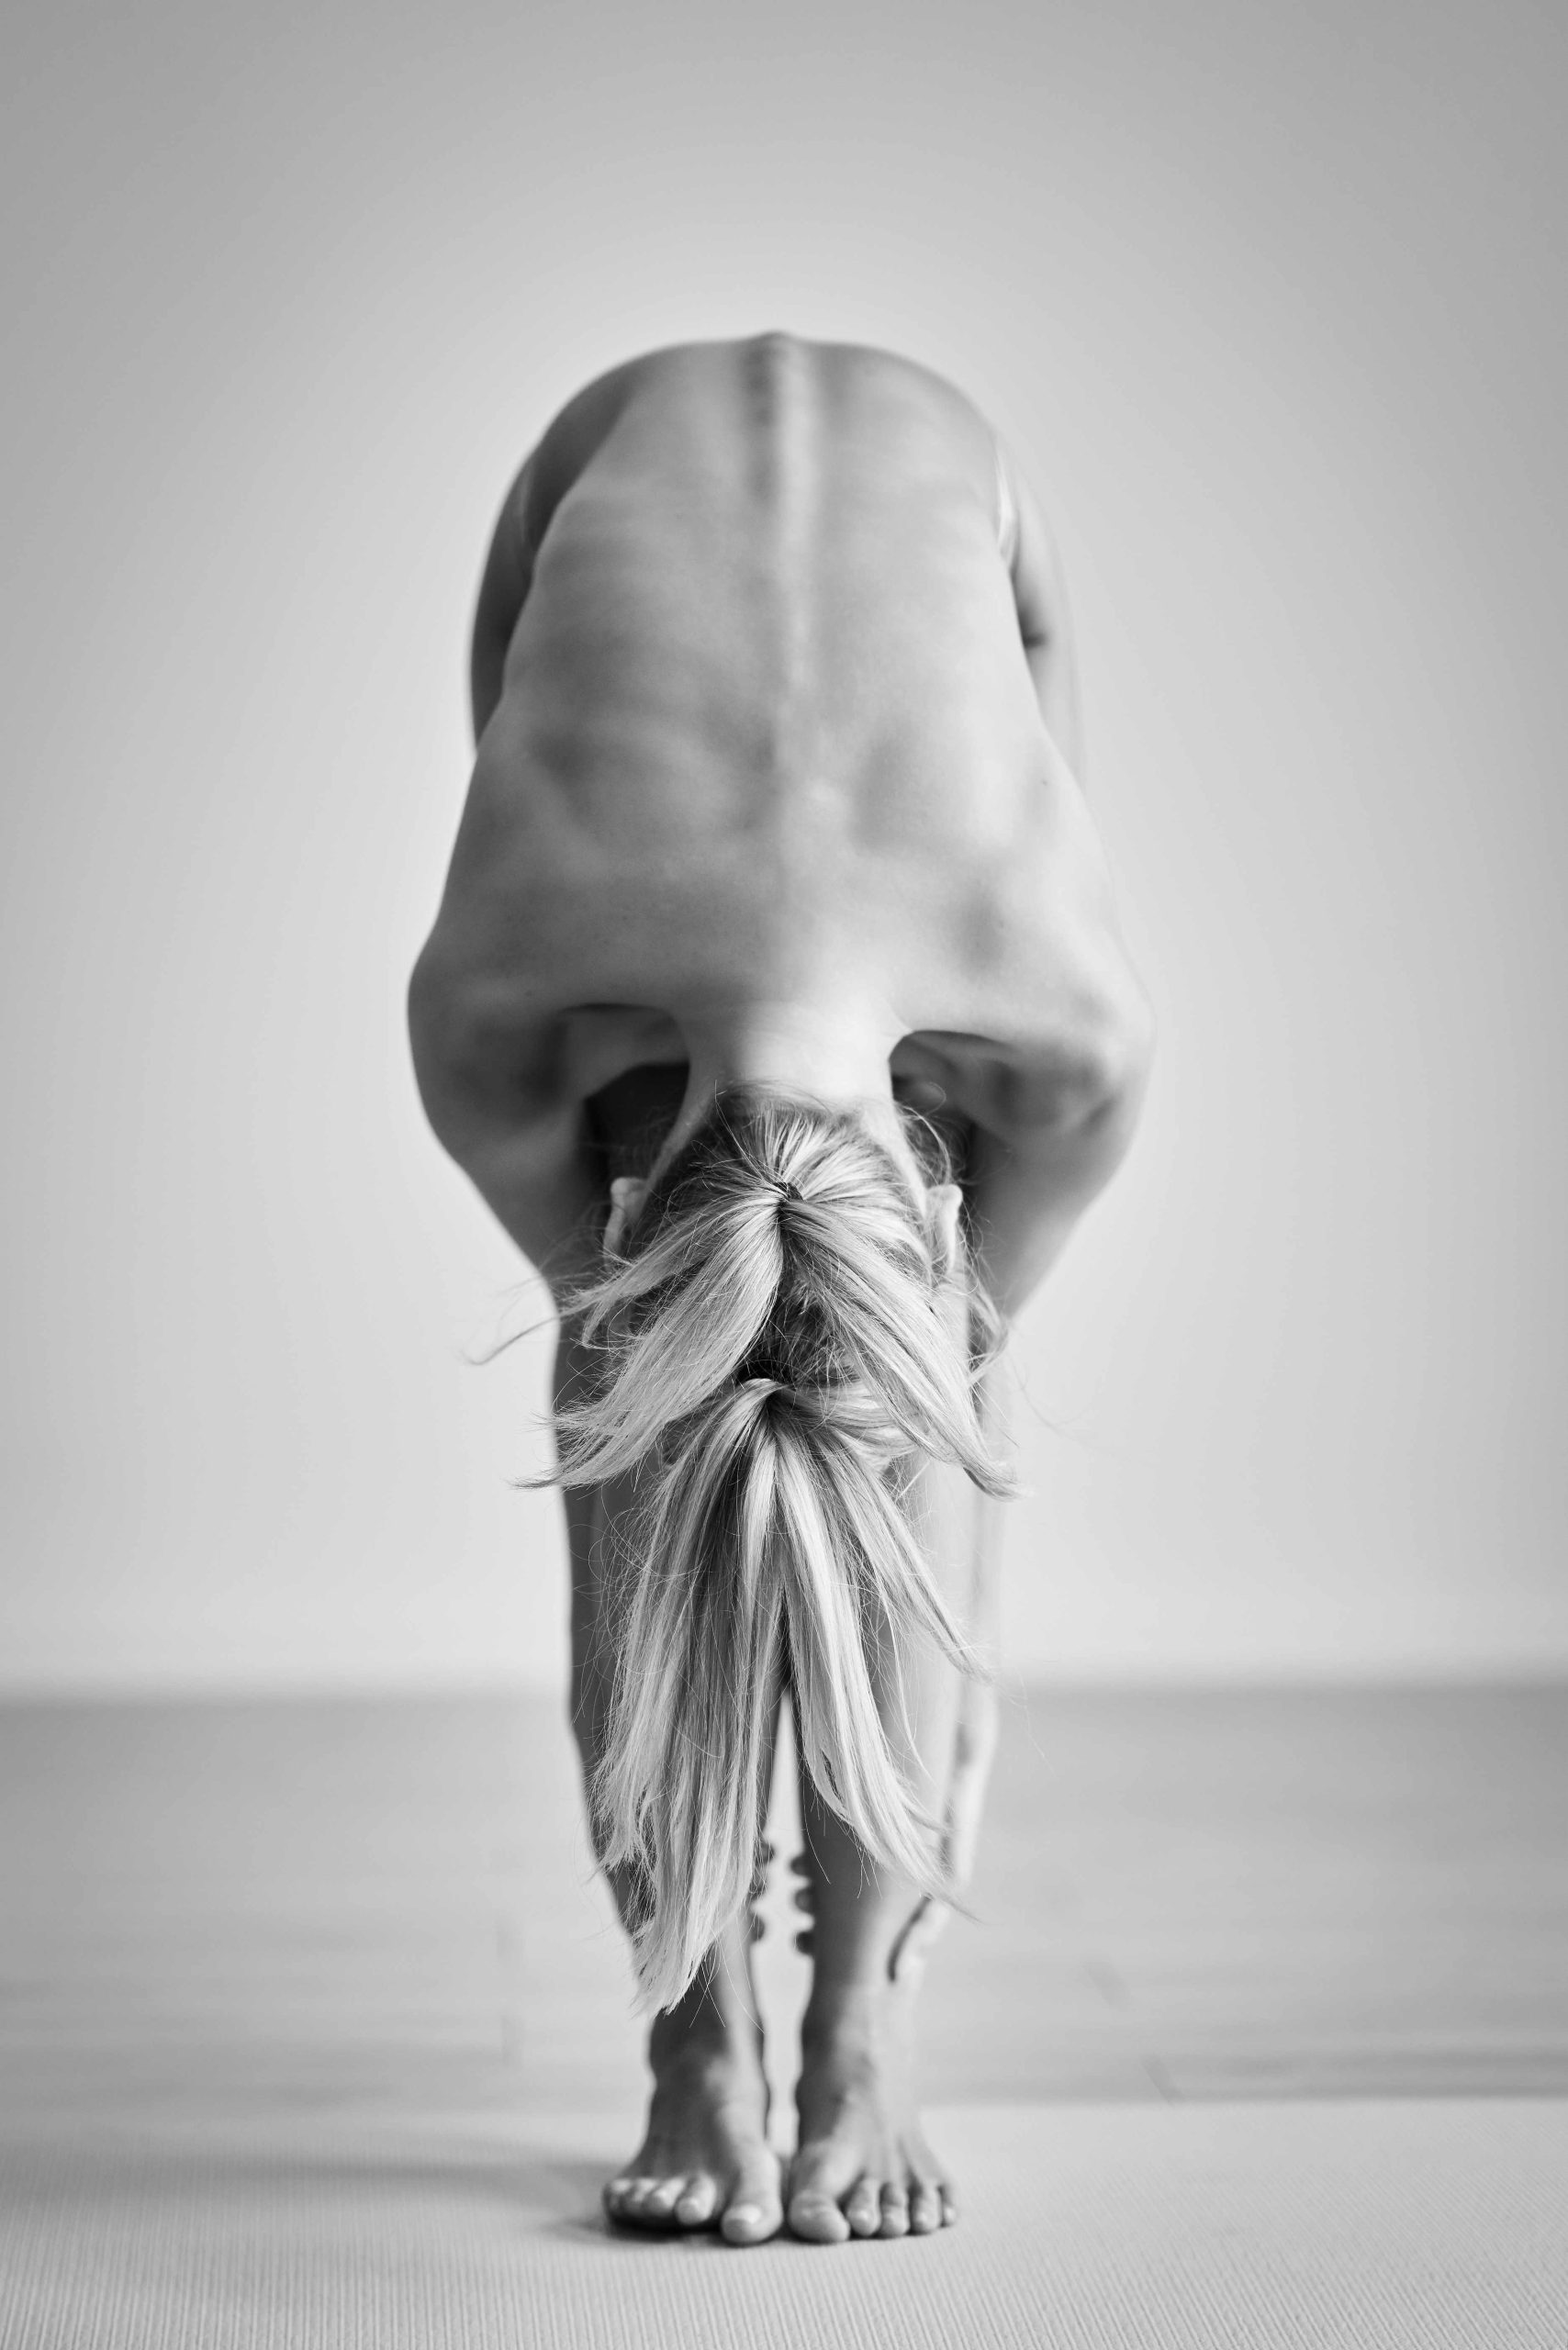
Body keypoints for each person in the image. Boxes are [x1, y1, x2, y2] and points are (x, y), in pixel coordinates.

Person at [408, 331, 1153, 2246]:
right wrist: (665, 1395)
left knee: (913, 1438)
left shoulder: (1064, 1022)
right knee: (642, 1448)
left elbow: (962, 1382)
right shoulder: (497, 1005)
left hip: (964, 510)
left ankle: (856, 2026)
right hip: (582, 493)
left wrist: (923, 1447)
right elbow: (611, 1381)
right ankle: (697, 2027)